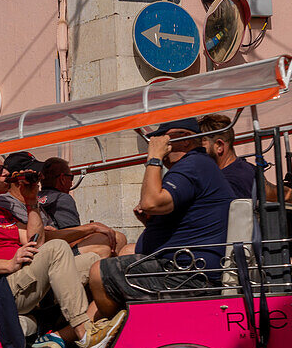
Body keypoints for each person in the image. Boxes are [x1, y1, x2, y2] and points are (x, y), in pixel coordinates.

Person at [0, 155, 126, 348]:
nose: (6, 174)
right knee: (57, 247)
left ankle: (72, 332)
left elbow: (37, 244)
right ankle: (85, 334)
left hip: (22, 279)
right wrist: (8, 264)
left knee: (97, 263)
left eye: (5, 170)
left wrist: (32, 203)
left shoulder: (2, 212)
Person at [90, 118, 235, 316]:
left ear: (185, 139)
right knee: (123, 259)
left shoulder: (192, 165)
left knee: (98, 272)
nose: (157, 142)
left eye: (163, 137)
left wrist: (154, 158)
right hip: (187, 268)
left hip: (187, 274)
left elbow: (151, 202)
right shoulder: (197, 165)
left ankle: (115, 328)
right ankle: (85, 333)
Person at [198, 114, 292, 208]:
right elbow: (273, 192)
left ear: (219, 146)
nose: (195, 154)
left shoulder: (229, 179)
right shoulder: (246, 169)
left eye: (200, 147)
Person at [38, 156, 129, 255]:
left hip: (46, 249)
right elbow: (74, 237)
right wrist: (92, 229)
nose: (72, 182)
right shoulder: (63, 198)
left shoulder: (35, 199)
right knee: (117, 237)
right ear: (62, 179)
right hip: (61, 252)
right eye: (71, 177)